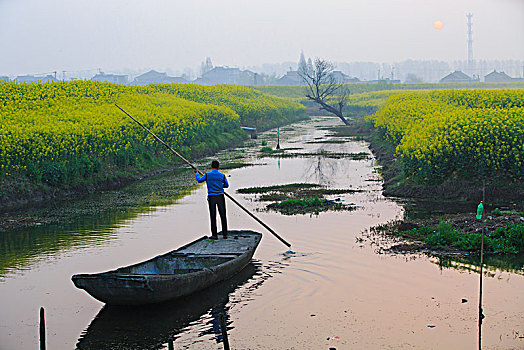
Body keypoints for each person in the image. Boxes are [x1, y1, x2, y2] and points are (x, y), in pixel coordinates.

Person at [195, 160, 229, 239]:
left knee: (213, 216)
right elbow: (226, 185)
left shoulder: (207, 175)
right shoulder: (222, 175)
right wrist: (219, 186)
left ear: (211, 167)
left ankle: (214, 235)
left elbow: (199, 180)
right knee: (223, 215)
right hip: (220, 196)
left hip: (212, 197)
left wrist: (196, 172)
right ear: (218, 167)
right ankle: (225, 234)